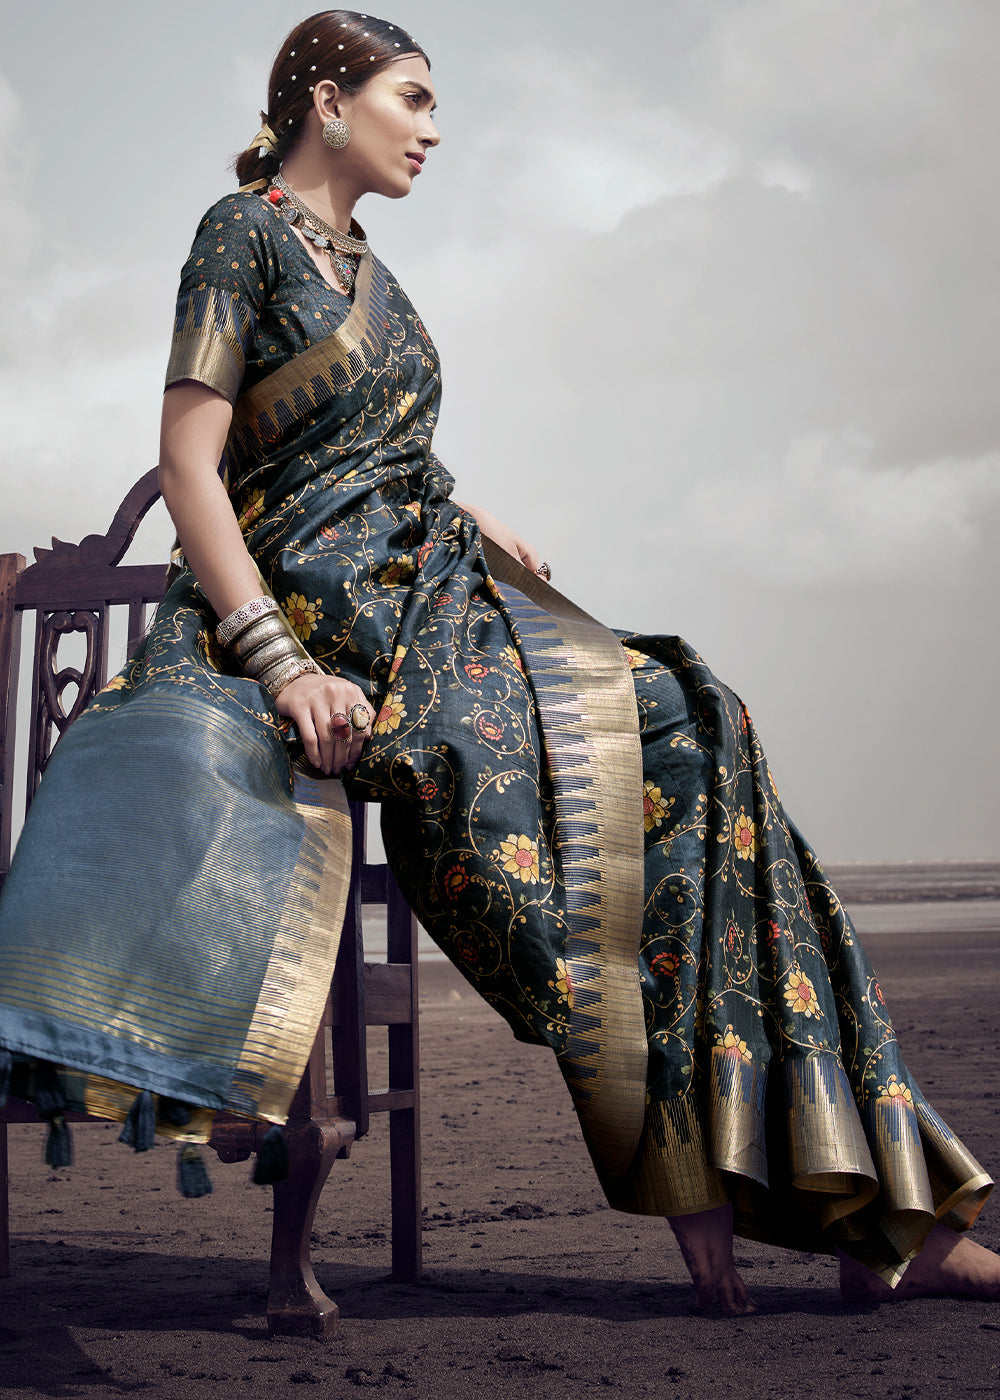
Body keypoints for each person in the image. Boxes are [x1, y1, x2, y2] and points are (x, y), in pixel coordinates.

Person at [0, 9, 997, 1316]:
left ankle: (861, 1194)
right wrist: (283, 665)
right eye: (413, 97)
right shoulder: (238, 233)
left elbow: (385, 459)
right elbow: (192, 467)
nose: (434, 128)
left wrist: (468, 515)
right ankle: (704, 1171)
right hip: (327, 618)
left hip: (436, 596)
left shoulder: (381, 279)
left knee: (702, 720)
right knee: (562, 813)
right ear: (328, 103)